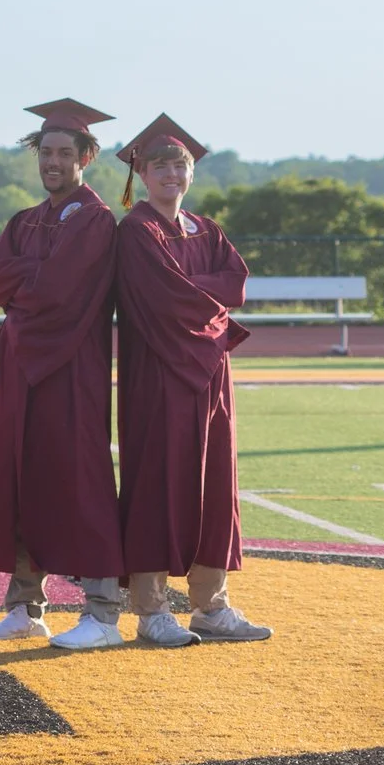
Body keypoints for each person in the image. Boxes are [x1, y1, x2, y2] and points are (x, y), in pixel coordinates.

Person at [0, 100, 131, 652]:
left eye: (63, 153)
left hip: (70, 367)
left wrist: (23, 280)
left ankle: (102, 611)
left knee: (81, 482)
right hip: (18, 367)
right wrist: (33, 274)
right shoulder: (25, 220)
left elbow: (59, 292)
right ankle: (26, 607)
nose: (53, 162)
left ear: (86, 157)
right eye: (46, 152)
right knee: (20, 478)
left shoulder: (96, 219)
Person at [112, 114, 271, 646]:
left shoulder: (206, 229)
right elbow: (164, 298)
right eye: (159, 166)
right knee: (156, 483)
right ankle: (152, 609)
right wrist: (208, 293)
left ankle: (210, 605)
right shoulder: (137, 231)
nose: (171, 175)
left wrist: (195, 286)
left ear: (191, 173)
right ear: (141, 174)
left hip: (210, 373)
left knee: (215, 483)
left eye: (179, 166)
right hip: (158, 370)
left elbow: (235, 283)